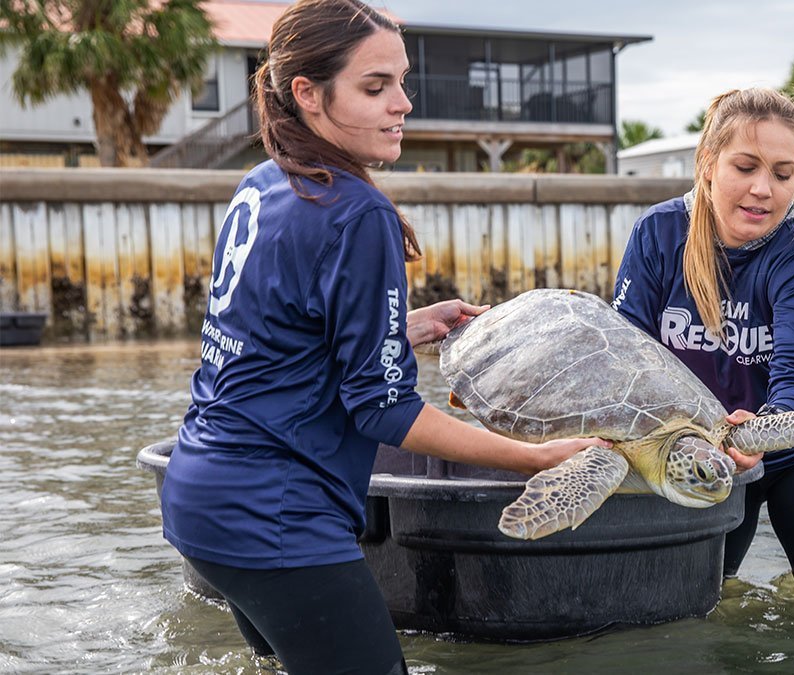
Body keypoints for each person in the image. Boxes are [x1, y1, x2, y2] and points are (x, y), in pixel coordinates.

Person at [157, 2, 606, 673]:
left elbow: (271, 338)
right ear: (306, 93)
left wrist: (404, 327)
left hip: (199, 498)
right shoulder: (358, 212)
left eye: (402, 82)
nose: (403, 104)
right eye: (375, 87)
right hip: (275, 513)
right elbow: (384, 408)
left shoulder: (261, 184)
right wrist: (535, 457)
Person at [611, 87, 794, 597]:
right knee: (693, 603)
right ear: (708, 164)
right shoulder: (658, 234)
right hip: (700, 452)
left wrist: (760, 430)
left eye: (782, 175)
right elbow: (624, 364)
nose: (763, 189)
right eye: (746, 167)